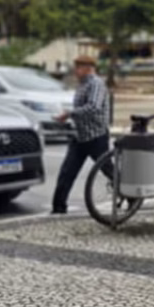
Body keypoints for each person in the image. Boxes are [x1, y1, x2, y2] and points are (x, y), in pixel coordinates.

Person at [51, 55, 111, 215]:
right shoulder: (83, 84)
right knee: (66, 173)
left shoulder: (96, 84)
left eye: (78, 68)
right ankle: (58, 208)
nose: (75, 71)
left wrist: (70, 113)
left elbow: (93, 107)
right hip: (79, 136)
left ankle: (130, 195)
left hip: (96, 136)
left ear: (87, 68)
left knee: (108, 169)